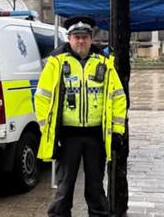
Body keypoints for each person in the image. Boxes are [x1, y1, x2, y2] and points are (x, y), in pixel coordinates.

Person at [35, 15, 127, 217]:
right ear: (69, 38)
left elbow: (119, 98)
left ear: (91, 38)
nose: (81, 41)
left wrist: (118, 131)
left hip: (96, 137)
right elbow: (41, 98)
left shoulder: (104, 63)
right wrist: (49, 132)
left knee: (95, 188)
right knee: (64, 188)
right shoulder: (56, 63)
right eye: (76, 37)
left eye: (85, 37)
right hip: (68, 137)